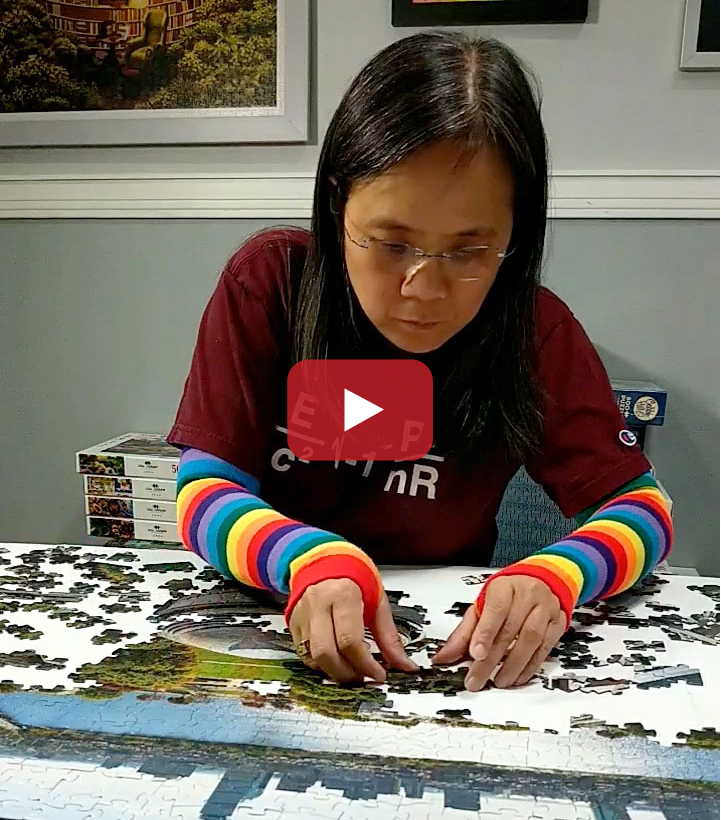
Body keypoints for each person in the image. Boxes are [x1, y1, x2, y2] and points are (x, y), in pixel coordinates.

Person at [168, 32, 672, 692]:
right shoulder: (269, 285)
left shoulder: (534, 330)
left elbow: (644, 511)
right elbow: (200, 493)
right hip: (263, 623)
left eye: (468, 251)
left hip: (437, 656)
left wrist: (558, 573)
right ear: (335, 202)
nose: (423, 291)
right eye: (389, 243)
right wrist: (307, 558)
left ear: (516, 231)